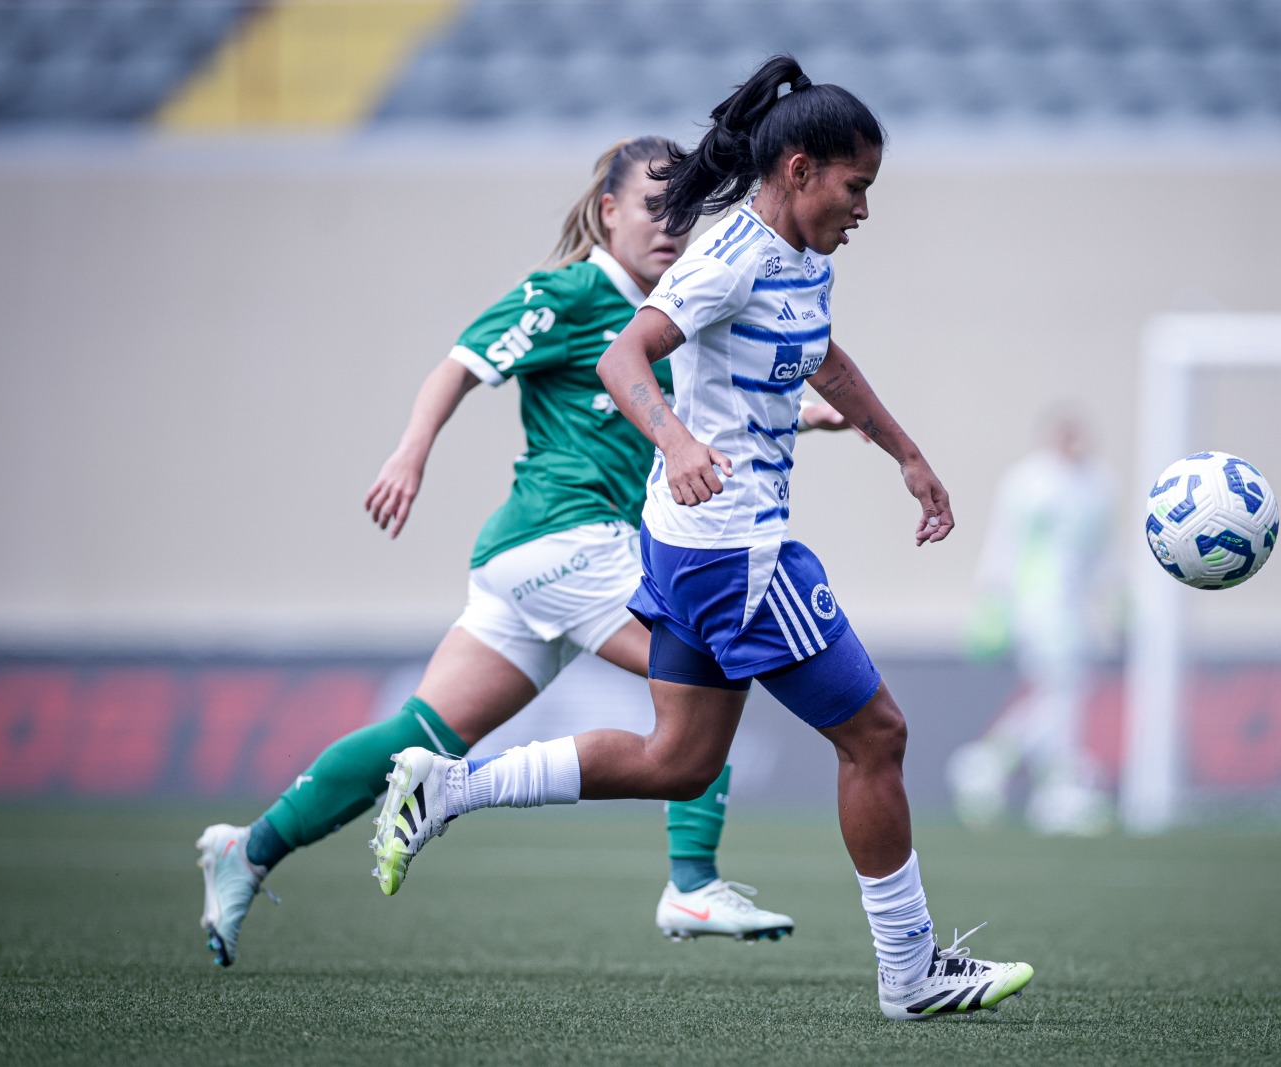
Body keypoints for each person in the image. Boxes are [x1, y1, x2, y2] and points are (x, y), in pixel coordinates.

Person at [369, 55, 1034, 1022]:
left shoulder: (803, 258)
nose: (864, 209)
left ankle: (450, 787)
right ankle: (910, 969)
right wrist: (676, 440)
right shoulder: (730, 257)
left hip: (689, 549)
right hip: (735, 553)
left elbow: (823, 357)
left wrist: (906, 453)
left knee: (678, 759)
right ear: (800, 169)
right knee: (878, 736)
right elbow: (622, 355)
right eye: (856, 187)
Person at [197, 136, 826, 967]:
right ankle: (692, 881)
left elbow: (684, 411)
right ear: (608, 211)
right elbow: (457, 366)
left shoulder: (672, 313)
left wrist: (807, 416)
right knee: (706, 666)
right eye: (652, 207)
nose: (671, 226)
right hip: (566, 539)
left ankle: (245, 850)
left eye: (683, 210)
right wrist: (410, 453)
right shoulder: (570, 294)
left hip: (531, 566)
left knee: (418, 736)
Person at [948, 411, 1117, 835]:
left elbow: (1101, 554)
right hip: (1035, 605)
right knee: (1065, 692)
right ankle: (1057, 792)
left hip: (1075, 610)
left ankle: (988, 763)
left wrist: (1117, 601)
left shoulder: (1099, 485)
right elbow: (1004, 543)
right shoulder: (1028, 482)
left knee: (1061, 694)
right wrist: (992, 602)